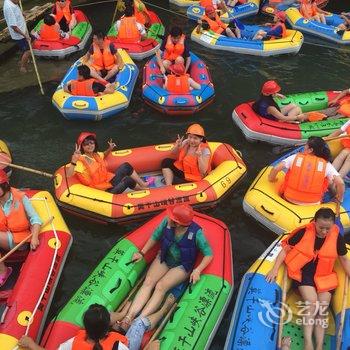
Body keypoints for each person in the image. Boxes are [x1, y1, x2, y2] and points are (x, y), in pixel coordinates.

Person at [266, 208, 350, 350]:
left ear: (333, 225)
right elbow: (286, 249)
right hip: (304, 273)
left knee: (322, 308)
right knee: (312, 303)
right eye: (321, 227)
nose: (324, 232)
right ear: (314, 222)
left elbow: (344, 259)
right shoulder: (303, 232)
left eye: (327, 229)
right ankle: (308, 344)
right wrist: (274, 269)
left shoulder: (337, 238)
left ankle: (318, 346)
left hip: (324, 275)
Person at [119, 204, 213, 330]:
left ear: (178, 223)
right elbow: (155, 236)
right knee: (148, 282)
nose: (169, 218)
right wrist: (142, 252)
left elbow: (208, 254)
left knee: (160, 286)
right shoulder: (167, 222)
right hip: (164, 257)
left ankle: (139, 320)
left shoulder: (197, 233)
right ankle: (129, 317)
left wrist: (197, 270)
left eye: (173, 218)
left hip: (182, 265)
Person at [67, 132, 153, 194]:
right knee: (127, 180)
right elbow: (69, 175)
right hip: (103, 192)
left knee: (126, 167)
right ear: (82, 147)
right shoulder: (80, 160)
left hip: (108, 183)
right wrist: (74, 161)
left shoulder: (96, 155)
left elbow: (104, 154)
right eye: (86, 144)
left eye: (91, 143)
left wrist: (110, 148)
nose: (90, 145)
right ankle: (145, 189)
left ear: (94, 144)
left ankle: (144, 188)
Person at [268, 136, 345, 205]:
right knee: (327, 182)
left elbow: (276, 168)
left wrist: (272, 179)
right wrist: (339, 199)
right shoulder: (326, 165)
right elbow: (341, 183)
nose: (304, 147)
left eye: (306, 145)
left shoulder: (295, 157)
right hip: (313, 203)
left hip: (289, 198)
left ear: (310, 150)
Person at [19, 303, 129, 350]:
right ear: (106, 331)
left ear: (85, 327)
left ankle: (124, 315)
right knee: (140, 323)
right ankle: (127, 316)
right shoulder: (117, 345)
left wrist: (31, 344)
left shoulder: (74, 343)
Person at [0, 170, 42, 287]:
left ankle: (4, 270)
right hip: (4, 235)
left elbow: (35, 219)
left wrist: (34, 237)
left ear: (5, 186)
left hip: (20, 239)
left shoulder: (20, 197)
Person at [3, 0, 31, 72]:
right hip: (20, 34)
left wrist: (21, 13)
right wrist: (25, 36)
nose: (19, 1)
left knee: (32, 41)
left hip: (23, 28)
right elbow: (14, 27)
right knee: (28, 50)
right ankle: (22, 67)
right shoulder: (9, 8)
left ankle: (23, 59)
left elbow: (16, 9)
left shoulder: (13, 2)